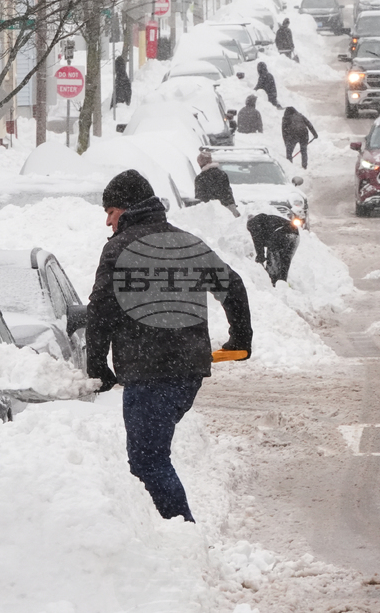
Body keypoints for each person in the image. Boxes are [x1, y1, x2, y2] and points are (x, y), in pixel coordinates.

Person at [86, 170, 253, 522]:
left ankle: (181, 535)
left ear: (127, 209)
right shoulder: (188, 243)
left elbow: (101, 311)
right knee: (151, 455)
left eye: (111, 211)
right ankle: (160, 534)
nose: (107, 220)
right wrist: (240, 339)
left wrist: (98, 366)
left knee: (148, 459)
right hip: (188, 372)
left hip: (149, 372)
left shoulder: (118, 249)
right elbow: (233, 287)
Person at [247, 213, 300, 285]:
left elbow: (258, 241)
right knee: (285, 261)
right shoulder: (267, 221)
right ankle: (282, 283)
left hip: (281, 233)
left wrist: (260, 257)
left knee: (272, 261)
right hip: (295, 235)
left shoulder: (253, 224)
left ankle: (273, 283)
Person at [194, 151, 240, 216]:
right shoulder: (222, 174)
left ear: (200, 163)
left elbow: (200, 198)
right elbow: (228, 192)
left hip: (211, 212)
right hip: (228, 208)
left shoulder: (200, 178)